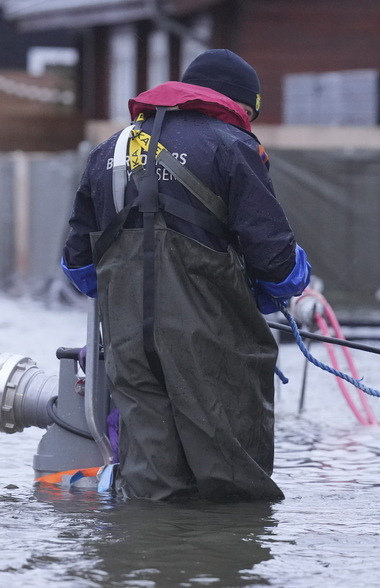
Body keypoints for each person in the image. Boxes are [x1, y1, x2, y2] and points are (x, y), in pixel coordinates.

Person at [60, 49, 310, 501]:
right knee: (233, 488)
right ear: (236, 103)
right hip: (210, 345)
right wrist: (279, 286)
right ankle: (219, 565)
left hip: (129, 348)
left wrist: (131, 296)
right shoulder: (234, 147)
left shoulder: (108, 151)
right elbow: (278, 265)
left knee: (153, 487)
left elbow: (78, 265)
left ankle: (154, 563)